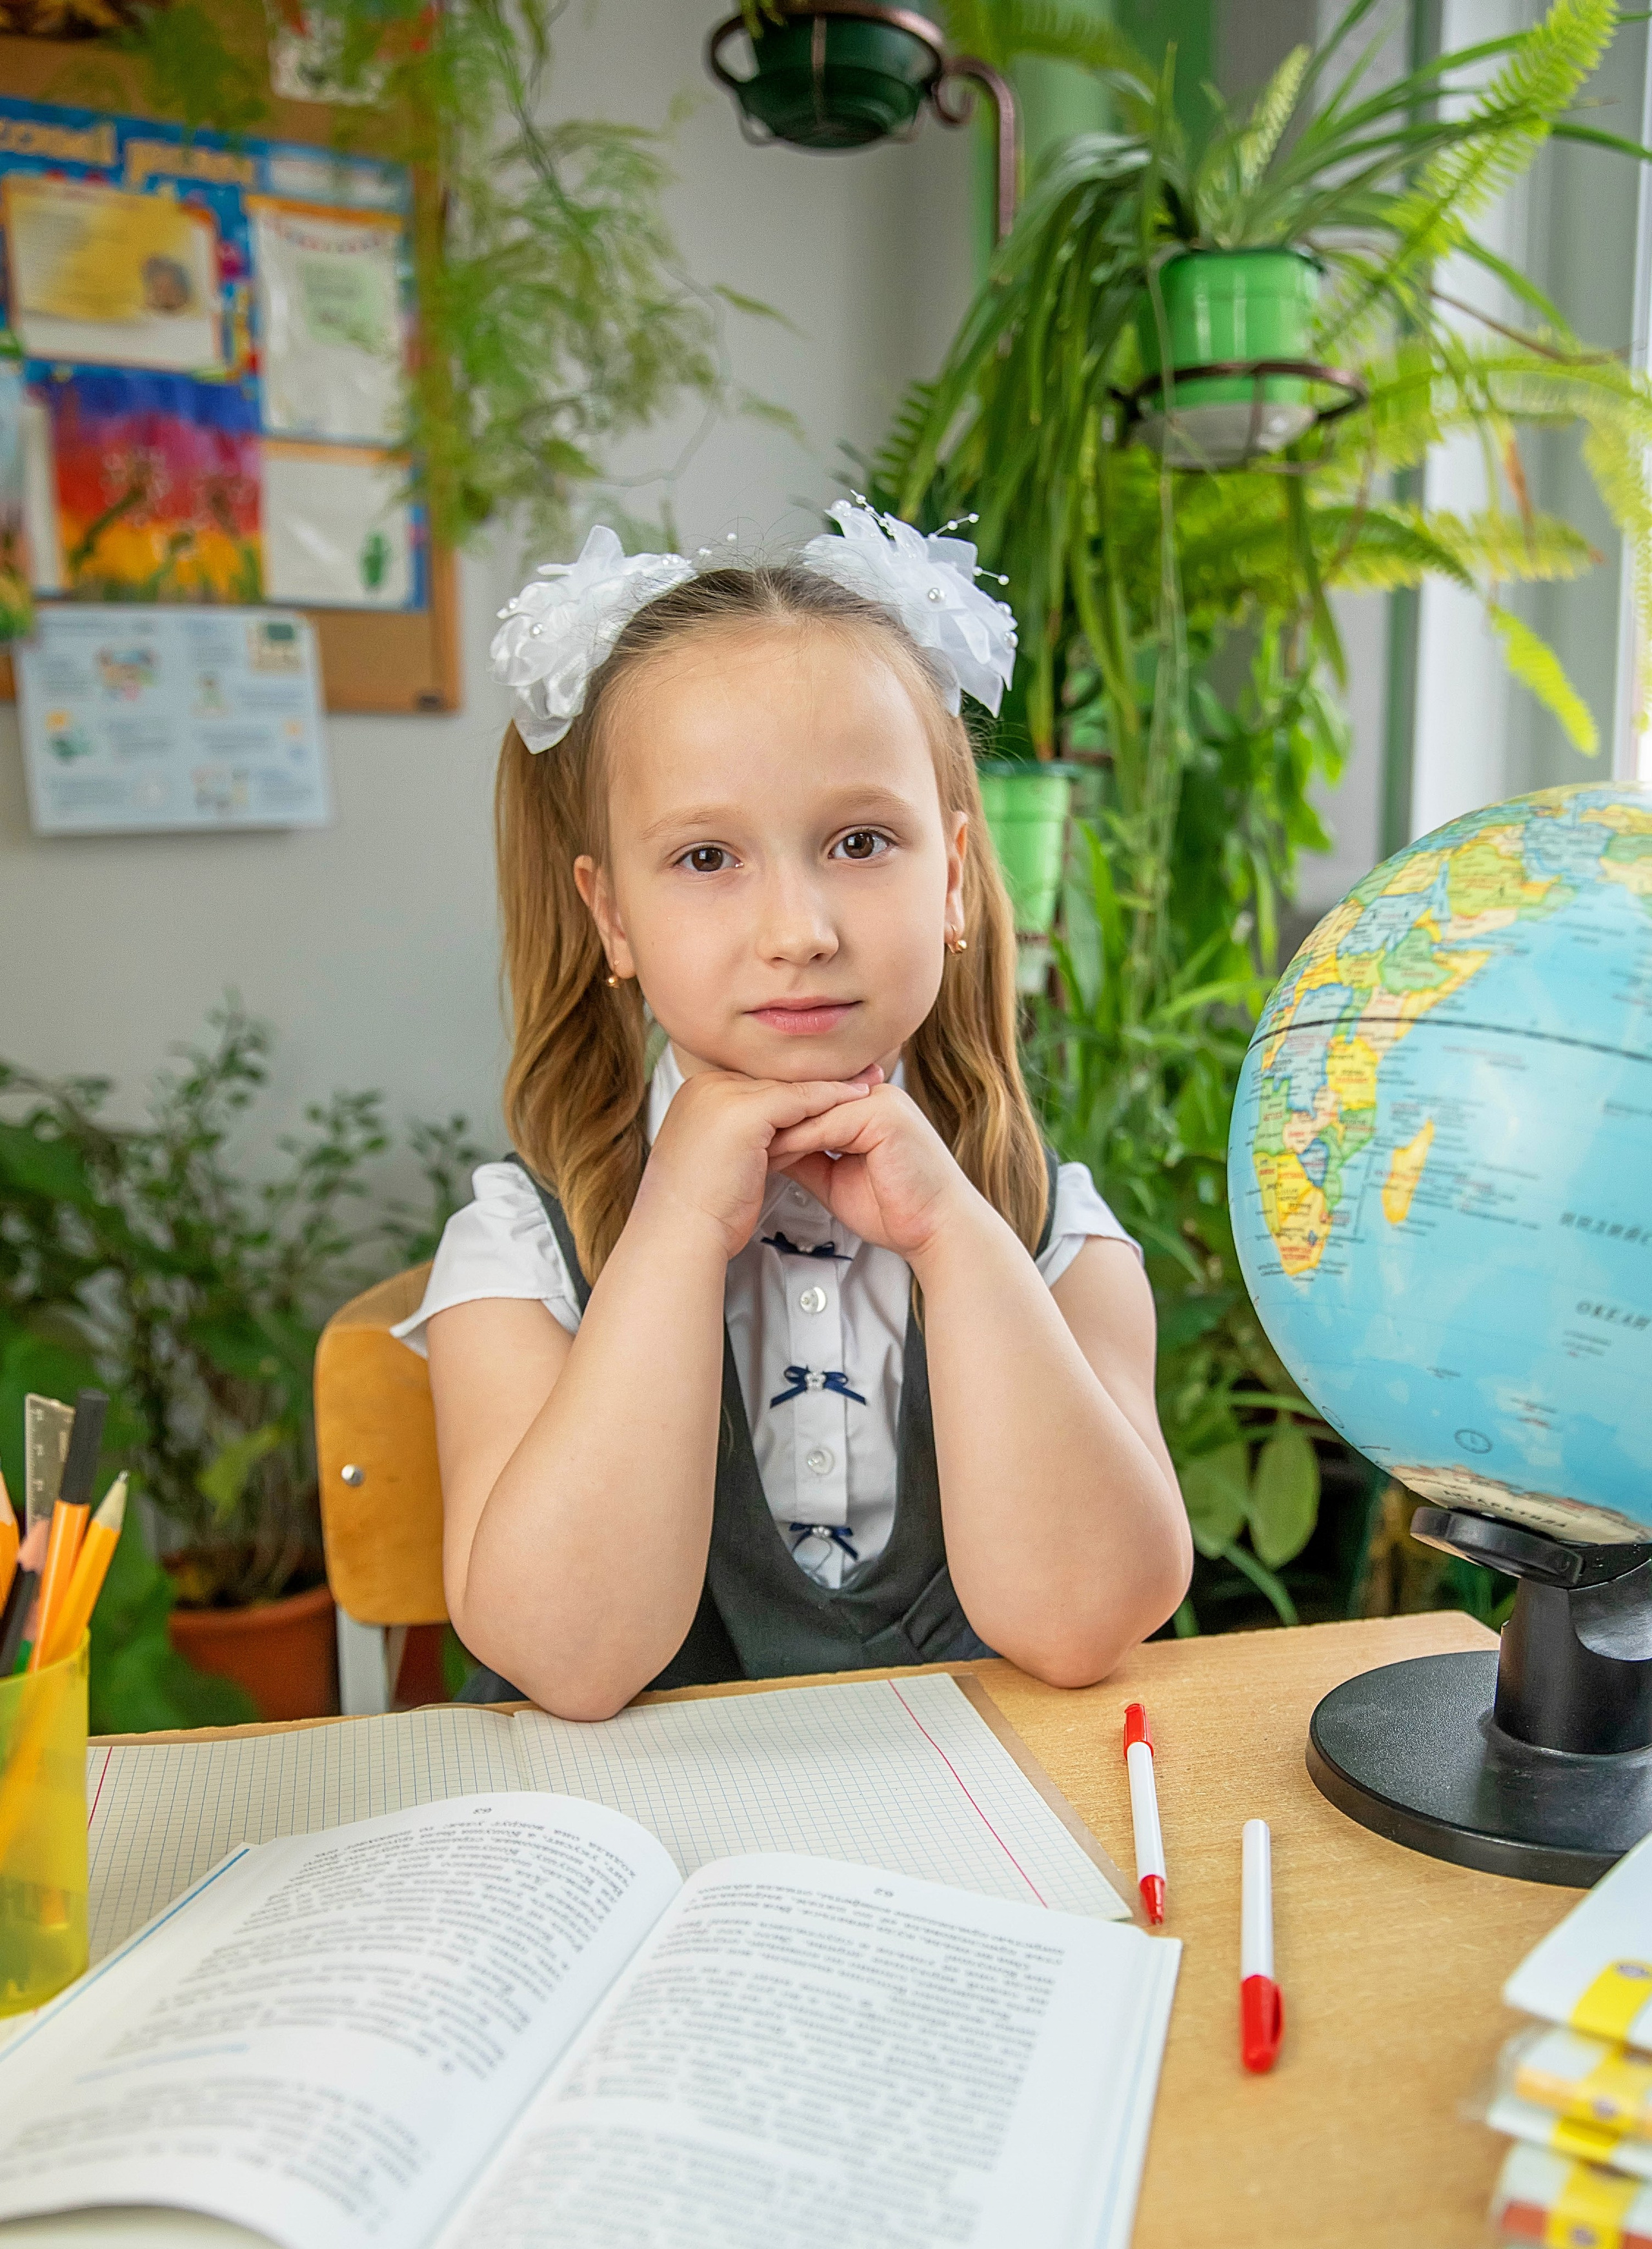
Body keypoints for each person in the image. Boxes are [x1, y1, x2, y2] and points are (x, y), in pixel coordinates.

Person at [396, 505, 1192, 1719]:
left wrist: (954, 1239)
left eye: (862, 840)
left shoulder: (1047, 1231)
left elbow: (1085, 1622)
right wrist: (672, 1232)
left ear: (957, 879)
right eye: (707, 859)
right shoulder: (518, 1247)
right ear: (611, 916)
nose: (799, 932)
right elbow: (570, 1660)